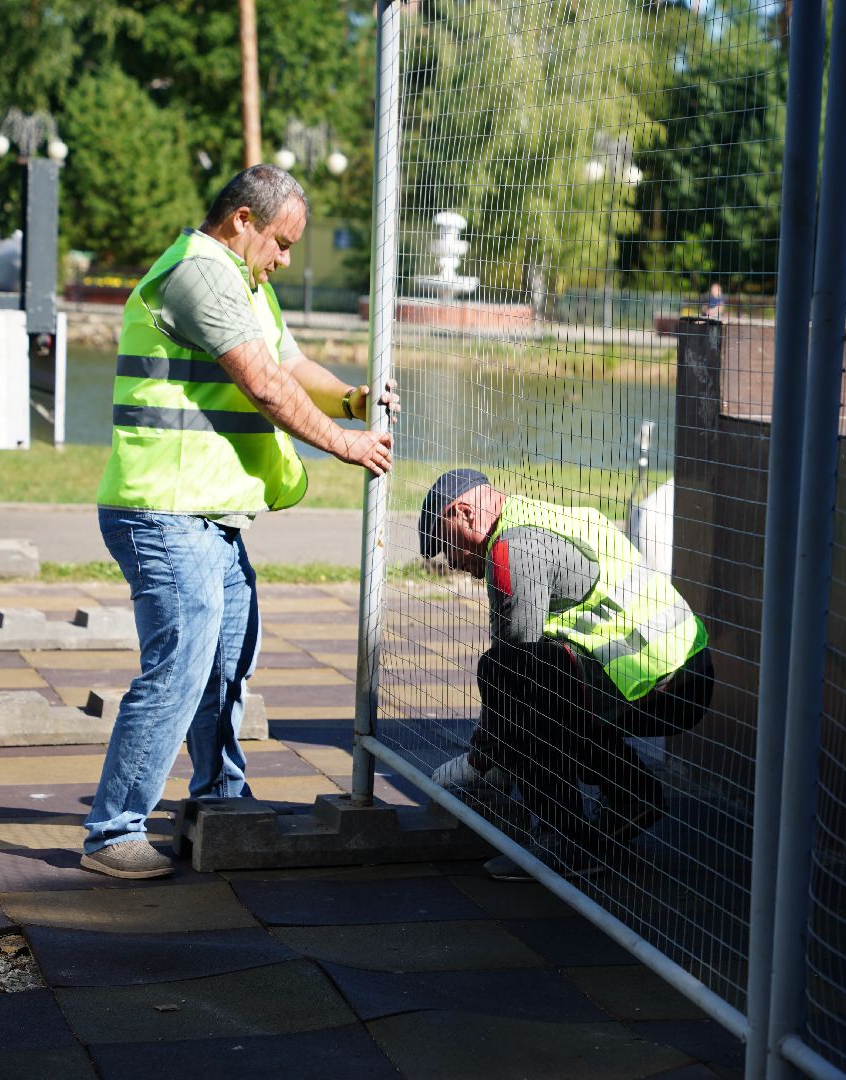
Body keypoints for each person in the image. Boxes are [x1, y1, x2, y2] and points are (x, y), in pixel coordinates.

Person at [80, 164, 398, 879]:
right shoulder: (201, 274)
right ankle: (112, 833)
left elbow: (289, 361)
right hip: (165, 509)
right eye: (281, 243)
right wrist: (347, 444)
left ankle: (220, 800)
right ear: (242, 222)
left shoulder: (244, 281)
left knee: (227, 664)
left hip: (209, 516)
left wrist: (353, 400)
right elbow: (263, 385)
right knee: (179, 671)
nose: (285, 260)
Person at [420, 469, 714, 881]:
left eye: (445, 544)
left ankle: (565, 842)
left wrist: (483, 757)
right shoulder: (547, 516)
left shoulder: (512, 550)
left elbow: (513, 667)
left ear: (464, 513)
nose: (450, 561)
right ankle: (632, 796)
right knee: (555, 678)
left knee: (505, 673)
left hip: (657, 682)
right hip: (686, 670)